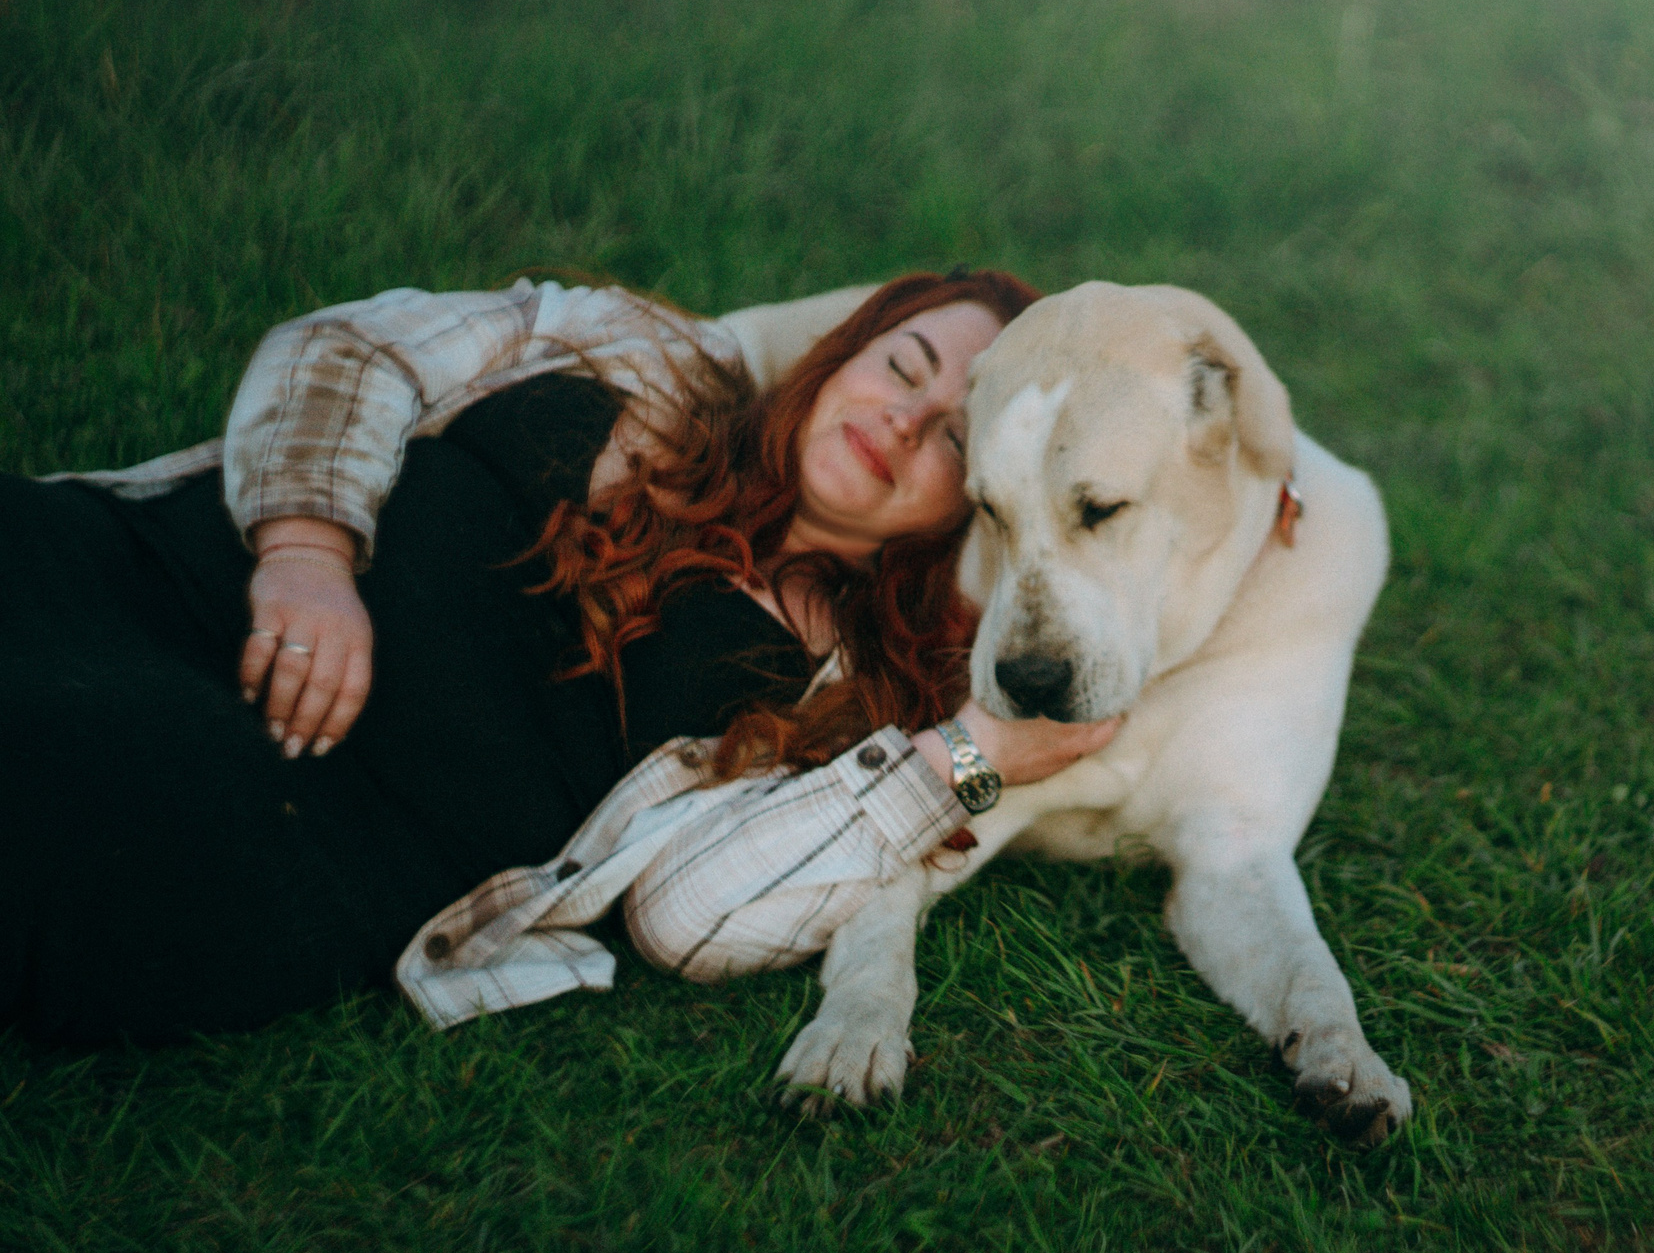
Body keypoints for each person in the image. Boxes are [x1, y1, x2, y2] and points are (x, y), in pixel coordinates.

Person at [2, 270, 1118, 1047]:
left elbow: (688, 919)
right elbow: (357, 346)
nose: (905, 421)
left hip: (285, 820)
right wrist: (307, 550)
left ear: (976, 506)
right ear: (844, 352)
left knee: (62, 765)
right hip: (138, 568)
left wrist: (971, 758)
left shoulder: (849, 696)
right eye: (903, 365)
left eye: (956, 438)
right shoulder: (649, 355)